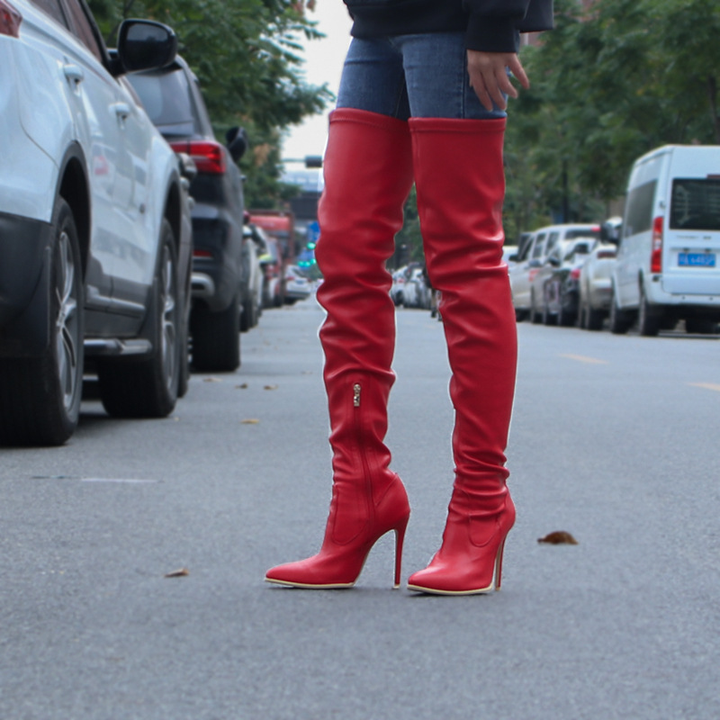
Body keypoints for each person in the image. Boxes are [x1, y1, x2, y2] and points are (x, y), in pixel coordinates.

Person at [265, 0, 554, 595]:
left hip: (455, 20)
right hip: (376, 24)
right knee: (345, 254)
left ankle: (481, 504)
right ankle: (361, 493)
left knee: (463, 259)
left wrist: (496, 18)